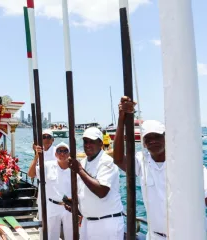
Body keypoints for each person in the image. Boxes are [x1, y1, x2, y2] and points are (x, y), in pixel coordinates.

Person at [113, 96, 207, 239]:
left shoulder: (188, 163)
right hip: (155, 236)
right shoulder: (142, 162)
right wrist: (121, 120)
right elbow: (118, 159)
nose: (153, 141)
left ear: (166, 137)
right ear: (143, 143)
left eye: (157, 136)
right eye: (148, 139)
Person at [68, 127, 124, 239]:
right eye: (85, 141)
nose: (88, 145)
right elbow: (85, 191)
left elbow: (101, 191)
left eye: (92, 142)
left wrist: (79, 170)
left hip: (106, 222)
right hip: (87, 222)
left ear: (100, 143)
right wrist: (76, 204)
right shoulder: (83, 163)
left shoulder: (107, 162)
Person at [35, 142, 73, 240]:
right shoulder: (47, 165)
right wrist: (36, 157)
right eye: (59, 151)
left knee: (71, 236)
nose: (62, 153)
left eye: (65, 151)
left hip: (70, 207)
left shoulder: (75, 168)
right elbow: (31, 174)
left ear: (69, 154)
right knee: (51, 236)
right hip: (52, 206)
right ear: (55, 154)